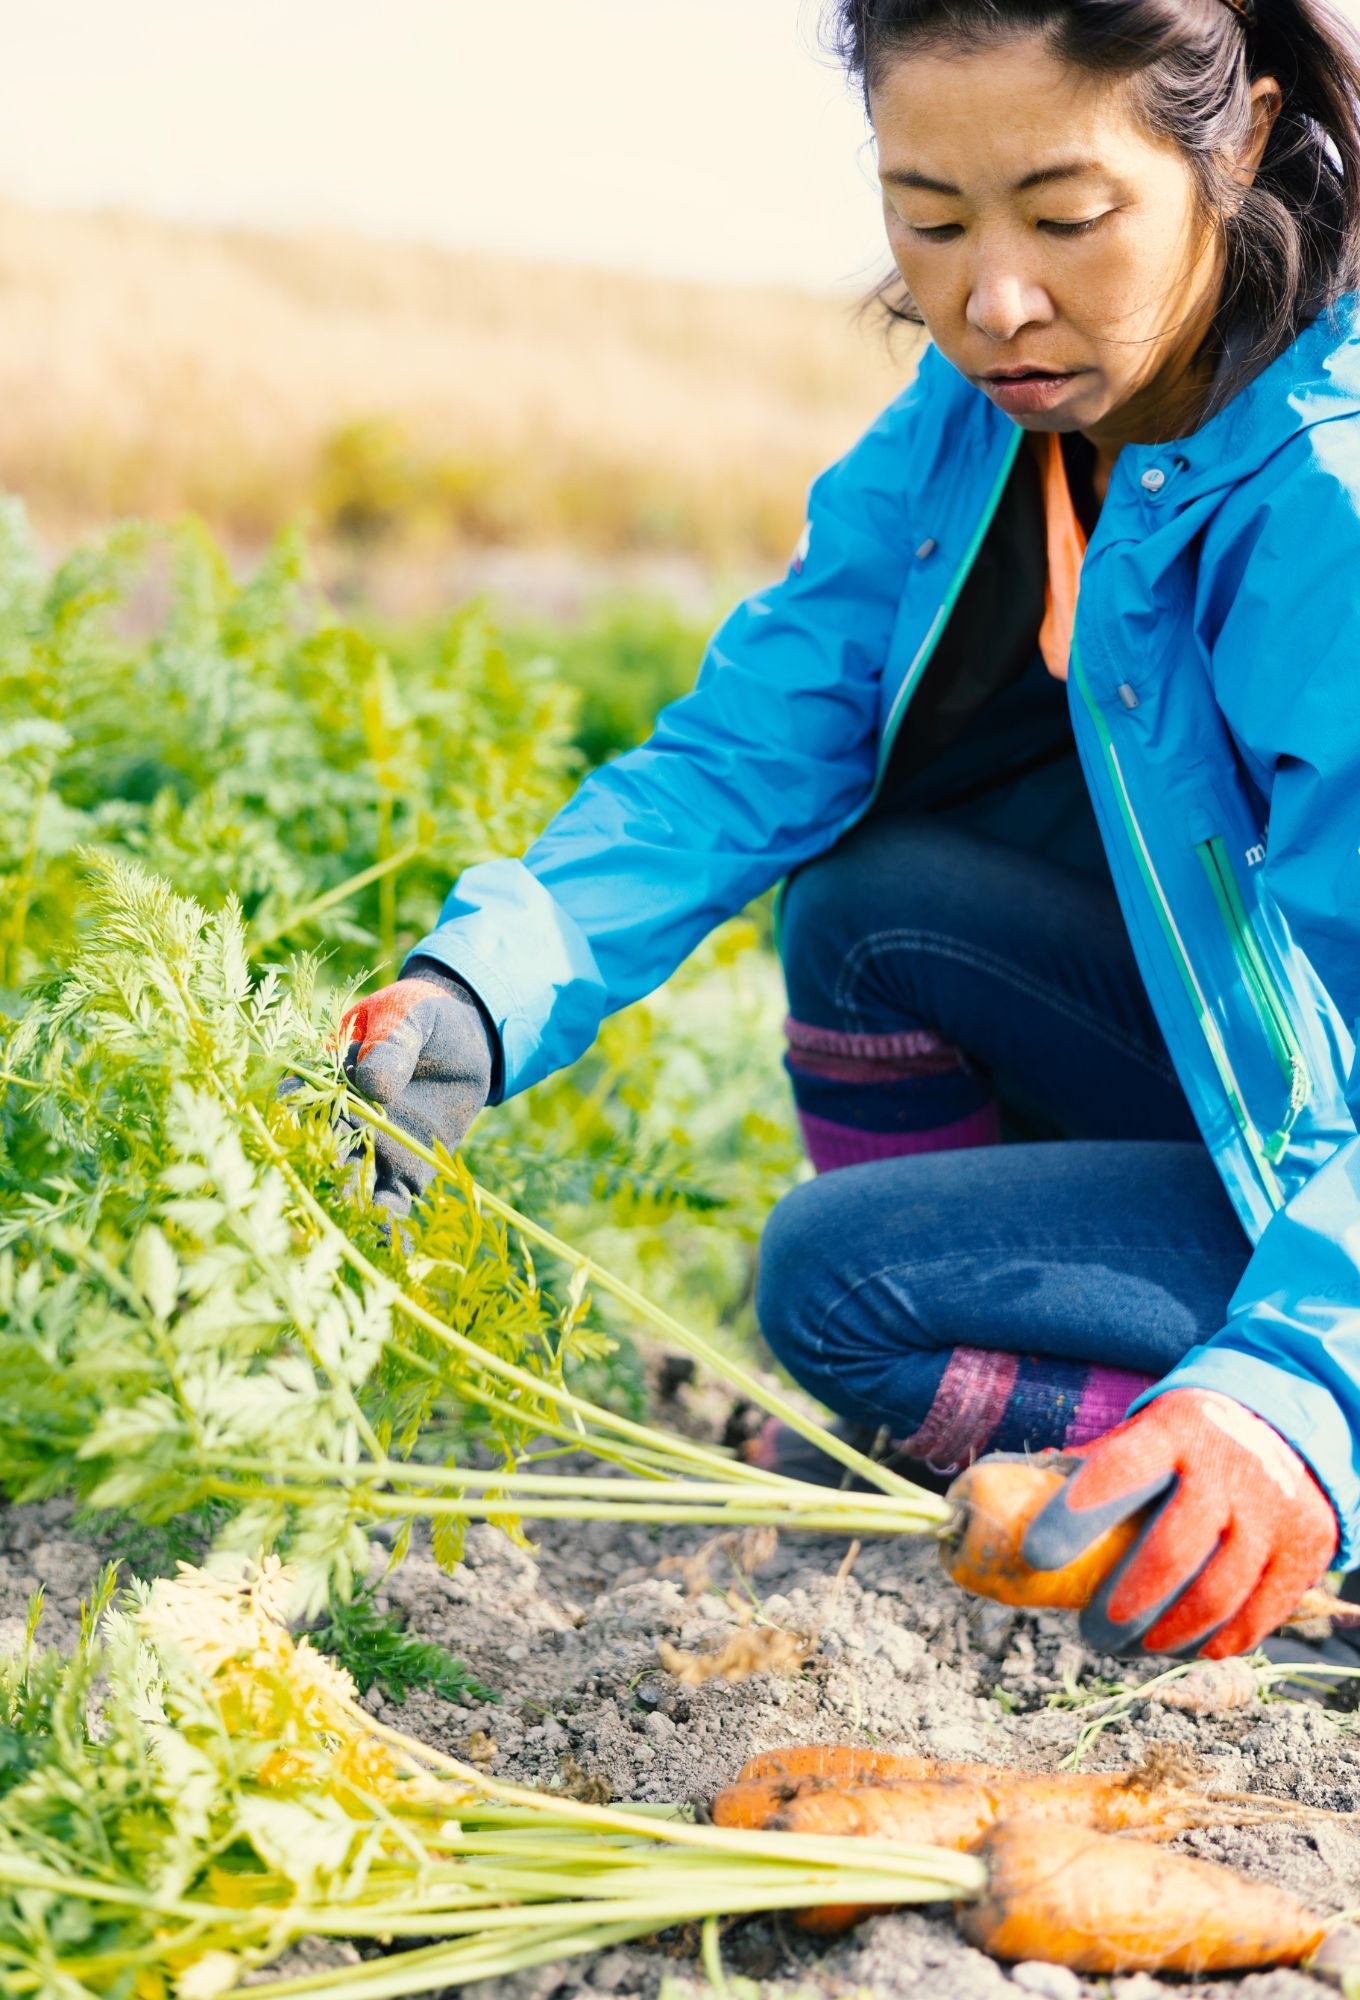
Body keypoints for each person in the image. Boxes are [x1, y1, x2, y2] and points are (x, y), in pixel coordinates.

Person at [338, 0, 1360, 1663]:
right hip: (1268, 1096)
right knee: (875, 914)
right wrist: (479, 987)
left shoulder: (1329, 498)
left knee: (842, 1291)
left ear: (1231, 144)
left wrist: (1295, 1391)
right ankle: (1062, 1430)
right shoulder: (989, 426)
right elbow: (748, 748)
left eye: (1066, 215)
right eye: (931, 220)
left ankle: (1262, 1506)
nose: (992, 298)